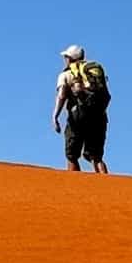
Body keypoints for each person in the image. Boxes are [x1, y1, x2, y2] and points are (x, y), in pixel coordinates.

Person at [52, 44, 111, 173]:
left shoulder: (66, 74)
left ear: (69, 59)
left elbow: (62, 95)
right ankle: (107, 186)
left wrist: (55, 116)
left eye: (66, 57)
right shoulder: (92, 71)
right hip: (98, 115)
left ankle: (75, 185)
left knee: (72, 155)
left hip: (77, 116)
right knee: (96, 156)